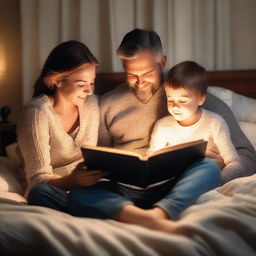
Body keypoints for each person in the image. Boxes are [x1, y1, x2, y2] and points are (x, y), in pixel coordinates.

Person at [67, 29, 222, 232]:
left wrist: (218, 166)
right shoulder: (107, 103)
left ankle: (160, 214)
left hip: (174, 184)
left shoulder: (188, 92)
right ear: (123, 66)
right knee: (77, 195)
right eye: (132, 74)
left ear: (162, 63)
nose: (139, 82)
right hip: (125, 190)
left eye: (147, 73)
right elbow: (103, 156)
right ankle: (144, 217)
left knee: (208, 168)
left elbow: (245, 155)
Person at [17, 40, 108, 212]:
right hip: (53, 191)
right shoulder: (37, 113)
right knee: (40, 193)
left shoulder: (92, 105)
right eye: (81, 84)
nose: (89, 90)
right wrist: (73, 181)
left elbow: (106, 151)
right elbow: (38, 182)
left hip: (91, 188)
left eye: (92, 82)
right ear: (58, 81)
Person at [148, 61, 244, 182]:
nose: (175, 107)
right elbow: (151, 162)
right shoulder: (162, 126)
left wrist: (218, 181)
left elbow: (235, 164)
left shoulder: (214, 123)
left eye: (183, 101)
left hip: (206, 178)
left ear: (201, 99)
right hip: (174, 179)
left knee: (207, 166)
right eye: (170, 99)